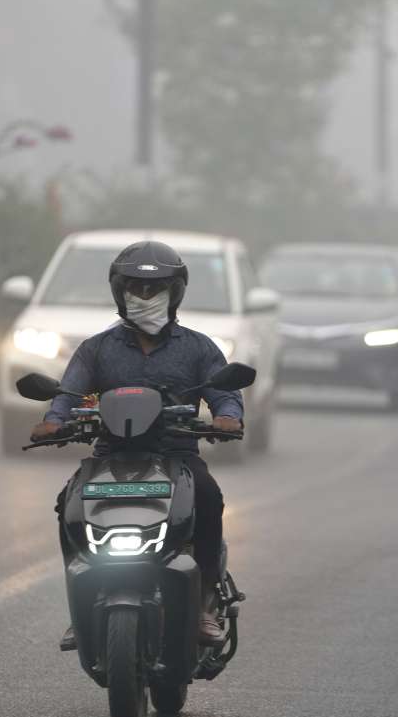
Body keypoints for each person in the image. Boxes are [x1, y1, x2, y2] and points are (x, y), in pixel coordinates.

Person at [30, 240, 244, 649]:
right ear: (119, 291)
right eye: (136, 288)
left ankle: (203, 601)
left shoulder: (199, 348)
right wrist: (53, 422)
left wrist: (227, 417)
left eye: (155, 288)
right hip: (110, 456)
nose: (145, 297)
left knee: (210, 497)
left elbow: (225, 393)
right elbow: (68, 393)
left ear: (175, 291)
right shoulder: (96, 350)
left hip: (178, 457)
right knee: (67, 504)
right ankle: (82, 602)